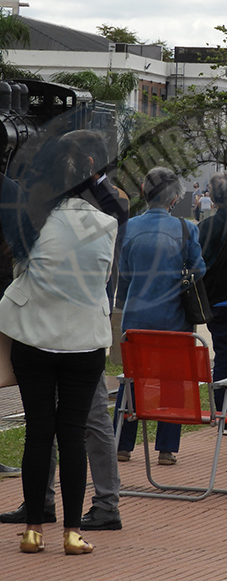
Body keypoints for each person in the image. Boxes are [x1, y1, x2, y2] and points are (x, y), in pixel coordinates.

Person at [1, 133, 118, 555]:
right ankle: (72, 532)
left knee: (38, 432)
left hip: (33, 336)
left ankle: (33, 529)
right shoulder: (107, 223)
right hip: (84, 340)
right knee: (72, 434)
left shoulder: (29, 219)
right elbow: (101, 279)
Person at [113, 167, 206, 467]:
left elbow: (123, 276)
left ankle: (122, 444)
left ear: (143, 191)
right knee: (173, 381)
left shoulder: (128, 228)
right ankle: (166, 448)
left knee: (131, 381)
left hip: (136, 318)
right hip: (174, 320)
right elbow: (198, 268)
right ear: (175, 198)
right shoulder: (186, 229)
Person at [198, 173, 227, 424]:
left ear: (213, 199)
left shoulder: (204, 227)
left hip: (215, 301)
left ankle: (224, 413)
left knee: (224, 356)